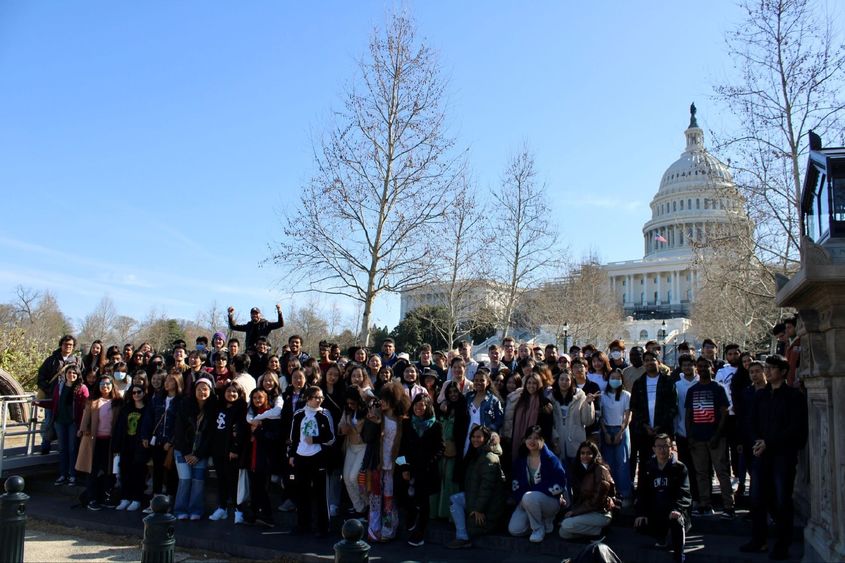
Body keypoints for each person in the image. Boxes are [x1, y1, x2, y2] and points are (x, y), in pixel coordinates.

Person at [740, 355, 807, 560]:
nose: (767, 371)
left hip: (783, 455)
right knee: (757, 498)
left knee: (782, 500)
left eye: (772, 368)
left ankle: (782, 544)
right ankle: (758, 540)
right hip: (761, 453)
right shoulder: (761, 395)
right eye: (766, 367)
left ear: (784, 371)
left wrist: (769, 442)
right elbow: (750, 422)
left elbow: (795, 428)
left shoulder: (793, 396)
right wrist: (757, 441)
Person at [361, 381, 409, 542]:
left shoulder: (402, 421)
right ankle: (373, 530)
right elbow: (366, 438)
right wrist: (373, 422)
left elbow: (403, 448)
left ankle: (388, 530)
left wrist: (402, 466)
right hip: (376, 464)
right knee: (375, 498)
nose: (381, 401)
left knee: (390, 500)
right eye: (381, 398)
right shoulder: (375, 416)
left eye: (385, 399)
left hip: (393, 468)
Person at [685, 356, 733, 517]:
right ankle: (705, 504)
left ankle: (728, 506)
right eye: (700, 366)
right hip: (697, 439)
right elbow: (689, 415)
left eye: (706, 366)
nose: (703, 369)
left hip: (716, 438)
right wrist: (690, 436)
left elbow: (724, 413)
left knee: (722, 472)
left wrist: (717, 435)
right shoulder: (692, 390)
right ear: (696, 369)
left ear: (711, 368)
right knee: (701, 473)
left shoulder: (718, 388)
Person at [634, 434, 692, 563]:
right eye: (659, 446)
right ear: (654, 449)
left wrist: (678, 509)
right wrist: (641, 512)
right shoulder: (648, 467)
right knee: (640, 523)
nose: (662, 450)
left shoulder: (680, 468)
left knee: (677, 521)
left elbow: (685, 493)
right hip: (656, 510)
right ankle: (661, 536)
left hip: (674, 510)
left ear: (671, 448)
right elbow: (642, 492)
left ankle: (679, 557)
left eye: (666, 446)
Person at [447, 426, 507, 549]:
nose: (475, 439)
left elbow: (487, 488)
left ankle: (463, 538)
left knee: (472, 523)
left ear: (486, 438)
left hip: (488, 508)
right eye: (473, 437)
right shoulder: (477, 454)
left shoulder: (489, 457)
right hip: (478, 500)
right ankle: (463, 536)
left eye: (479, 437)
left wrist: (479, 509)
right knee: (454, 499)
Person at [289, 385, 336, 537]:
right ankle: (303, 524)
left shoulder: (324, 414)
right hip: (301, 456)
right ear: (308, 398)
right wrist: (292, 455)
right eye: (317, 397)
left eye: (321, 397)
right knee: (302, 492)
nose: (319, 400)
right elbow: (294, 437)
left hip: (318, 457)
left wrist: (315, 439)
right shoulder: (299, 414)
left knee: (321, 493)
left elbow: (331, 438)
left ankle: (323, 527)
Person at [398, 393, 444, 547]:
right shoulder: (407, 424)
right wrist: (404, 467)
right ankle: (411, 515)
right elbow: (401, 448)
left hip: (427, 469)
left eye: (422, 405)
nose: (419, 408)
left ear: (427, 407)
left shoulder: (436, 425)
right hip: (410, 467)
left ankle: (420, 532)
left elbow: (440, 448)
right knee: (409, 497)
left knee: (424, 502)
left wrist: (429, 462)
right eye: (416, 405)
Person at [508, 425, 568, 543]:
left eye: (536, 438)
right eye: (529, 437)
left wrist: (531, 493)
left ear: (543, 440)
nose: (532, 441)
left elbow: (560, 482)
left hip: (549, 501)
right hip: (527, 501)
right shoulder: (521, 460)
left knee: (529, 497)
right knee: (515, 530)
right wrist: (521, 498)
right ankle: (544, 522)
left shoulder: (551, 459)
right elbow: (515, 483)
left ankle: (538, 529)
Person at [76, 374, 123, 510]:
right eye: (102, 384)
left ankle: (106, 497)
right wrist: (82, 429)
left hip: (111, 441)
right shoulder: (93, 401)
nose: (105, 386)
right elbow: (86, 418)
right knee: (92, 470)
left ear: (112, 385)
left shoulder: (118, 402)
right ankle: (92, 499)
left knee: (109, 471)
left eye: (108, 384)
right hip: (94, 441)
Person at [172, 377, 216, 520]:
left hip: (200, 453)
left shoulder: (213, 409)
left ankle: (196, 510)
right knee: (185, 479)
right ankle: (180, 510)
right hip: (182, 450)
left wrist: (197, 454)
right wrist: (186, 453)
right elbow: (178, 431)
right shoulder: (185, 405)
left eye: (205, 389)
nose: (202, 392)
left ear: (210, 391)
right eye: (199, 389)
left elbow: (211, 436)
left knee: (198, 481)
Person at [630, 351, 678, 481]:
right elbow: (634, 407)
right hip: (644, 432)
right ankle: (643, 497)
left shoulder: (668, 382)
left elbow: (673, 406)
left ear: (658, 361)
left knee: (665, 463)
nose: (650, 362)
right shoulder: (638, 383)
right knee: (645, 466)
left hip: (663, 431)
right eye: (646, 360)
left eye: (652, 359)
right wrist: (645, 425)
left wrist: (659, 425)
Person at [141, 369, 182, 511]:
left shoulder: (181, 401)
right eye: (167, 380)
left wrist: (171, 441)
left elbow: (180, 424)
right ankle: (155, 501)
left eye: (170, 381)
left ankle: (169, 501)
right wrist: (145, 435)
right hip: (157, 440)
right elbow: (149, 417)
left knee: (171, 473)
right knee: (157, 471)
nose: (167, 383)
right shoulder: (158, 398)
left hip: (171, 443)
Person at [559, 440, 615, 540]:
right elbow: (578, 498)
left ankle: (601, 529)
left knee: (566, 524)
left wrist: (574, 513)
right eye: (582, 453)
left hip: (600, 512)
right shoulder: (579, 470)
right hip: (585, 511)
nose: (585, 456)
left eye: (589, 453)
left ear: (594, 455)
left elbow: (597, 501)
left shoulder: (600, 470)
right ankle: (596, 532)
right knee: (563, 533)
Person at [208, 381, 248, 523]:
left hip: (232, 451)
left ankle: (238, 509)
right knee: (221, 479)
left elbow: (241, 431)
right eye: (228, 391)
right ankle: (222, 507)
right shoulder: (219, 407)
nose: (231, 394)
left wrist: (235, 448)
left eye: (234, 392)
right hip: (218, 449)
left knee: (233, 481)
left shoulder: (241, 409)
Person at [38, 335, 78, 454]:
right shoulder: (52, 360)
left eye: (71, 345)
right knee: (49, 421)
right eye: (66, 344)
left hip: (69, 399)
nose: (68, 347)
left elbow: (81, 376)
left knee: (67, 422)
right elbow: (41, 377)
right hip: (52, 398)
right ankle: (45, 445)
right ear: (61, 345)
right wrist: (49, 389)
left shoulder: (76, 360)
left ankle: (62, 447)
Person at [113, 384, 150, 511]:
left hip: (140, 446)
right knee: (125, 472)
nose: (136, 395)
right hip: (126, 444)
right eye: (133, 392)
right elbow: (119, 428)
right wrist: (116, 446)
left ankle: (136, 499)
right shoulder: (126, 409)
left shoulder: (148, 409)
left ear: (144, 393)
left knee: (138, 473)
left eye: (139, 392)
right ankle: (125, 498)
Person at [51, 364, 88, 486]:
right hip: (60, 421)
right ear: (65, 374)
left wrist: (83, 425)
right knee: (62, 449)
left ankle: (73, 475)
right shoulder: (59, 386)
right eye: (69, 372)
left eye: (74, 373)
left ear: (77, 375)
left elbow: (86, 407)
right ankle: (63, 474)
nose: (71, 375)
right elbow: (54, 403)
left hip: (73, 423)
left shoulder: (82, 388)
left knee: (72, 449)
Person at [551, 370, 597, 468]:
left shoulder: (580, 397)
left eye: (567, 380)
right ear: (557, 381)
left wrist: (588, 404)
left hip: (576, 441)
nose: (564, 382)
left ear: (572, 381)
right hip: (558, 442)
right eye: (561, 379)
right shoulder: (551, 398)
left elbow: (587, 421)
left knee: (576, 473)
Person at [600, 369, 632, 505]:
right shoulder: (603, 395)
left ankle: (624, 494)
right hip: (606, 429)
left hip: (621, 429)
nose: (615, 380)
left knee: (622, 463)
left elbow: (628, 415)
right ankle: (610, 493)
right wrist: (606, 433)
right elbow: (600, 415)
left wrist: (620, 432)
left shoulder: (626, 395)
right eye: (612, 377)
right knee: (608, 463)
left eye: (618, 378)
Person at [338, 386, 369, 517]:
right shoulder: (347, 411)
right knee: (346, 478)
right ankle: (359, 507)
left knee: (354, 477)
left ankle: (367, 503)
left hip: (363, 446)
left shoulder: (367, 411)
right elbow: (339, 427)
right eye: (348, 403)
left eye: (353, 403)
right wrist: (342, 430)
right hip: (351, 445)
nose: (350, 405)